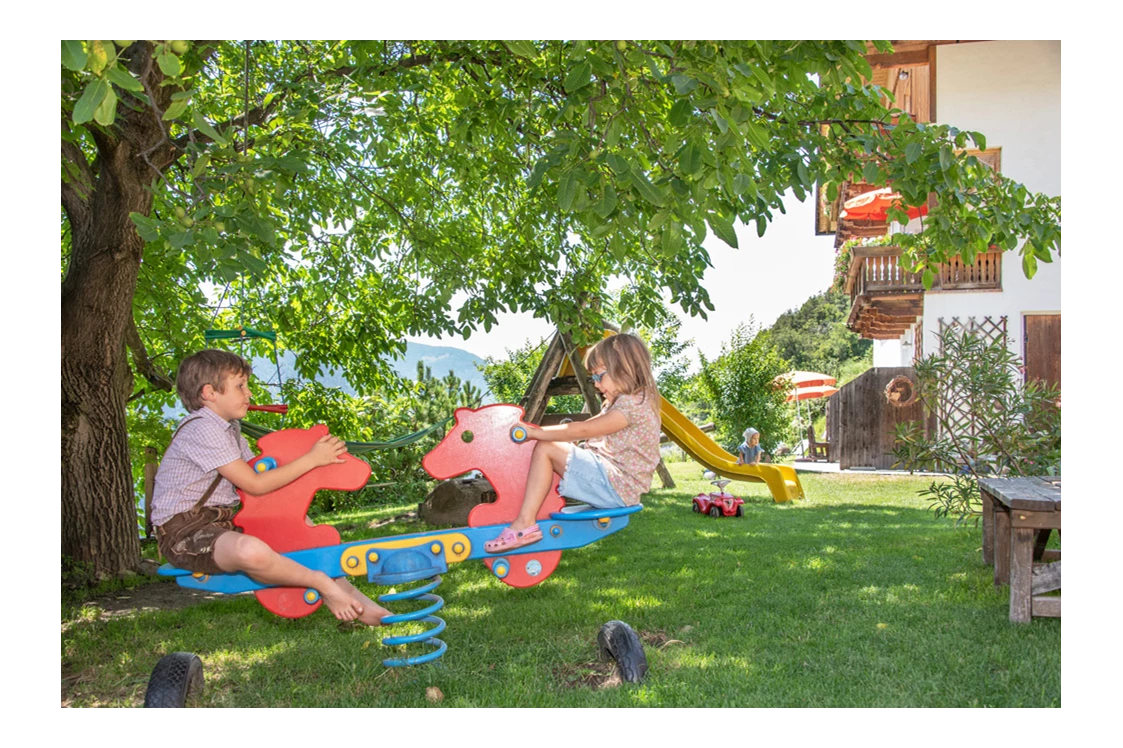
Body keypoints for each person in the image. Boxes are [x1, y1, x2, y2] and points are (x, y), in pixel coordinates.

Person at [150, 349, 390, 626]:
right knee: (248, 551)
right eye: (240, 386)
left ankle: (362, 606)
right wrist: (311, 459)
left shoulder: (230, 429)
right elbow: (254, 484)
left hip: (221, 523)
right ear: (209, 393)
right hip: (185, 533)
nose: (249, 393)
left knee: (300, 531)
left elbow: (262, 479)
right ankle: (321, 583)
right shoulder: (202, 428)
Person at [484, 333, 662, 553]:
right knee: (552, 448)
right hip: (616, 484)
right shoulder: (627, 402)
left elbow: (583, 429)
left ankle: (524, 524)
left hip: (616, 486)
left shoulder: (632, 405)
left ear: (623, 368)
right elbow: (588, 426)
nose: (596, 384)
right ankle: (528, 511)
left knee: (547, 448)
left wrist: (534, 433)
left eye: (599, 376)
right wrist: (544, 434)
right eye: (593, 378)